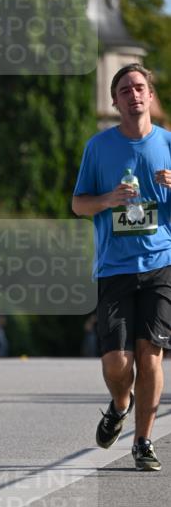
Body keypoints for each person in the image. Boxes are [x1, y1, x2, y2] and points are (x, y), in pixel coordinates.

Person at [72, 63, 171, 472]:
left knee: (151, 358)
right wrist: (109, 199)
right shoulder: (99, 148)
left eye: (139, 87)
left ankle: (144, 441)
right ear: (115, 101)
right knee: (117, 364)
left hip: (161, 262)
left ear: (150, 95)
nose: (133, 94)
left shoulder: (167, 142)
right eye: (125, 90)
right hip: (114, 266)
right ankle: (120, 404)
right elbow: (78, 204)